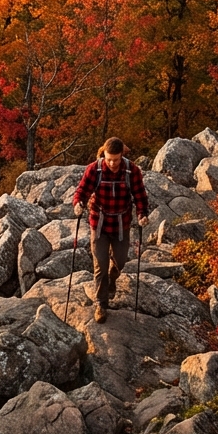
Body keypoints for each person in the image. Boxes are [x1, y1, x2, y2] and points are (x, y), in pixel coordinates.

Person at [73, 137, 149, 323]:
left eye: (116, 159)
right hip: (99, 223)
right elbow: (82, 191)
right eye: (109, 159)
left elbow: (140, 196)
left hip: (121, 224)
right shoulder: (95, 169)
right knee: (100, 265)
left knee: (121, 261)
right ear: (104, 155)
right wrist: (78, 204)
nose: (112, 163)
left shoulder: (132, 171)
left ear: (122, 155)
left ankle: (113, 278)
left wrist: (142, 214)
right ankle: (101, 304)